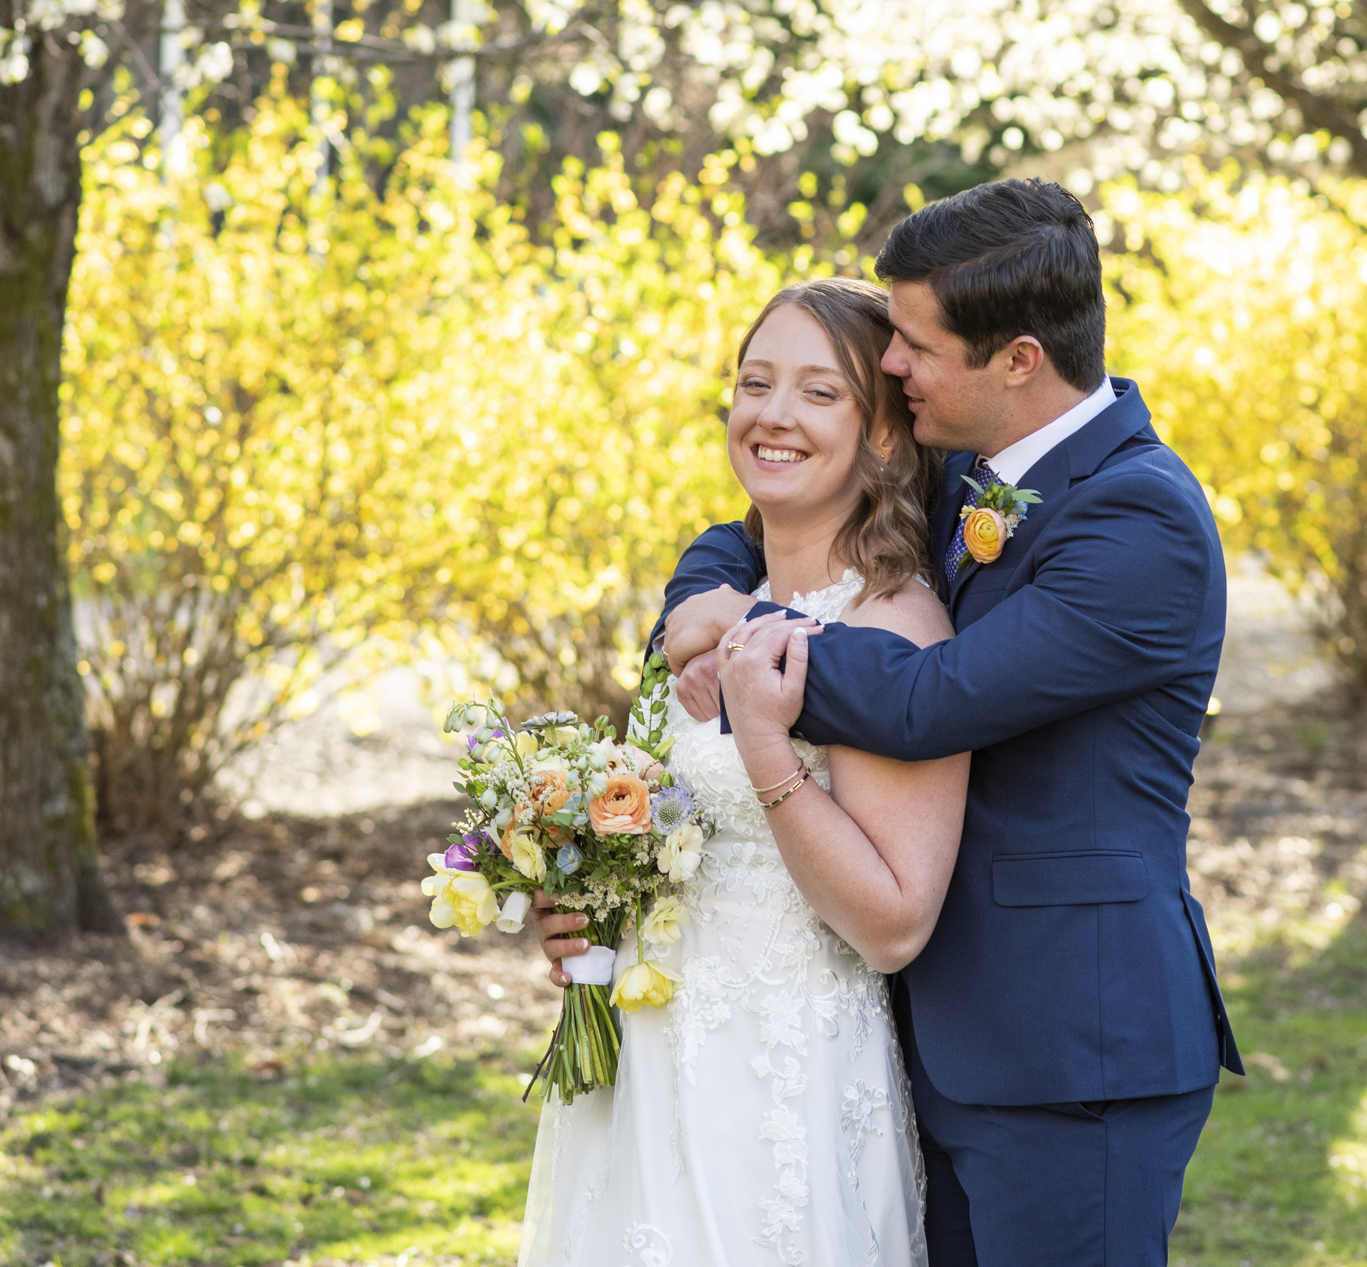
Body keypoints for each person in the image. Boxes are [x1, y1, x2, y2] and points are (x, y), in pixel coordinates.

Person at [566, 178, 1245, 1266]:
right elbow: (768, 529)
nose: (892, 363)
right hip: (922, 1040)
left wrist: (741, 631)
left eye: (916, 346)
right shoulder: (973, 469)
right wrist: (693, 604)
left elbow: (935, 699)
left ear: (1017, 359)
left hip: (1075, 1050)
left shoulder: (1138, 517)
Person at [519, 277, 970, 1266]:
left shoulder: (894, 628)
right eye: (754, 382)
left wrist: (768, 745)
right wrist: (579, 899)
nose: (771, 413)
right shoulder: (706, 609)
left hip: (783, 1080)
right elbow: (669, 833)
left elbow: (893, 923)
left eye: (819, 393)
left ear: (885, 433)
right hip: (639, 1071)